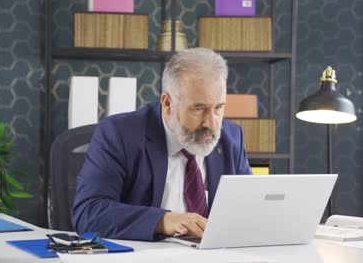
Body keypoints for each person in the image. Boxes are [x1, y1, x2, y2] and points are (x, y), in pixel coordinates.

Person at [72, 47, 251, 241]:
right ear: (167, 104)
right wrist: (163, 221)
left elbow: (249, 208)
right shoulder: (118, 134)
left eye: (218, 108)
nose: (212, 123)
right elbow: (88, 214)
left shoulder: (231, 138)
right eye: (198, 108)